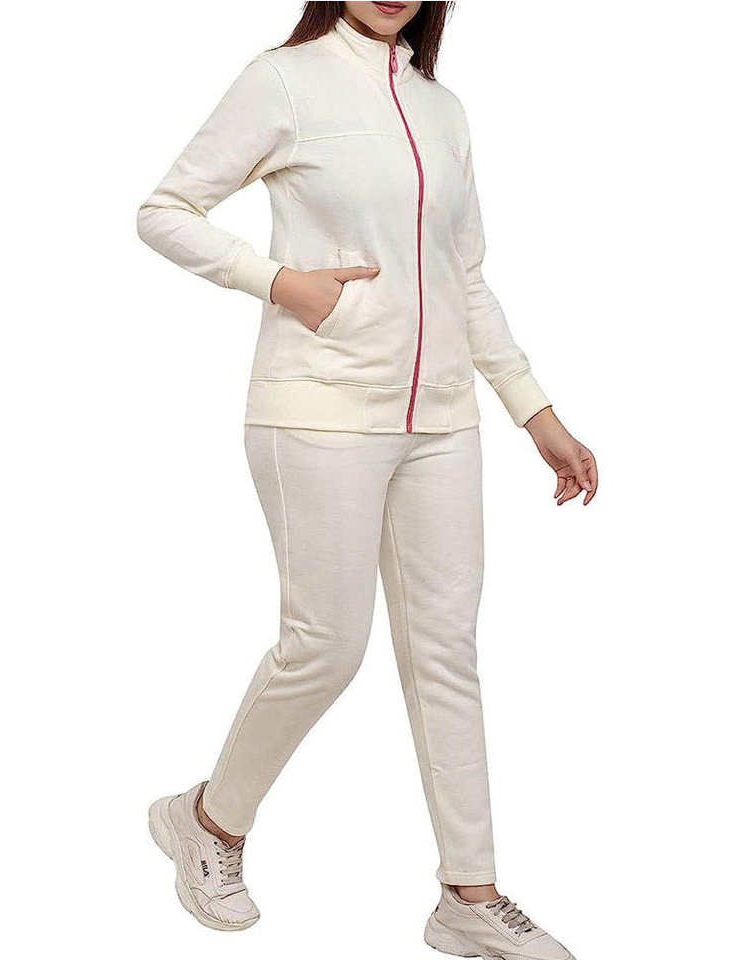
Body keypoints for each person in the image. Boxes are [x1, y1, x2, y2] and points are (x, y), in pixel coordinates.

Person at [137, 3, 596, 957]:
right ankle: (208, 821)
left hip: (441, 421)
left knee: (445, 653)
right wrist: (281, 282)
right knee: (326, 646)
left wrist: (535, 411)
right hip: (318, 411)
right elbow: (165, 212)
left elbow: (464, 279)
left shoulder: (442, 108)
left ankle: (468, 894)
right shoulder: (283, 79)